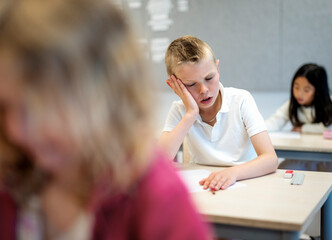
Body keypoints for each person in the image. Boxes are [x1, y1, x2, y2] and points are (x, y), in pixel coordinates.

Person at [0, 0, 212, 239]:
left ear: (104, 96)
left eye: (42, 108)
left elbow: (154, 159)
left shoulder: (154, 197)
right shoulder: (13, 178)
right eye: (6, 107)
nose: (16, 129)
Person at [159, 35, 278, 192]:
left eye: (209, 78)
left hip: (244, 184)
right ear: (174, 85)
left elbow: (270, 159)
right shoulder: (180, 110)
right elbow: (160, 163)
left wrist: (233, 173)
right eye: (191, 84)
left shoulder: (241, 100)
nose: (204, 90)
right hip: (204, 188)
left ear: (217, 68)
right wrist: (191, 114)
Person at [265, 63, 332, 237]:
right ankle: (291, 225)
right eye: (296, 87)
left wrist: (303, 128)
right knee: (281, 175)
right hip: (302, 158)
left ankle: (321, 231)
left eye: (306, 89)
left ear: (318, 90)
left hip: (327, 160)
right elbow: (272, 123)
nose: (299, 93)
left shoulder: (329, 105)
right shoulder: (292, 104)